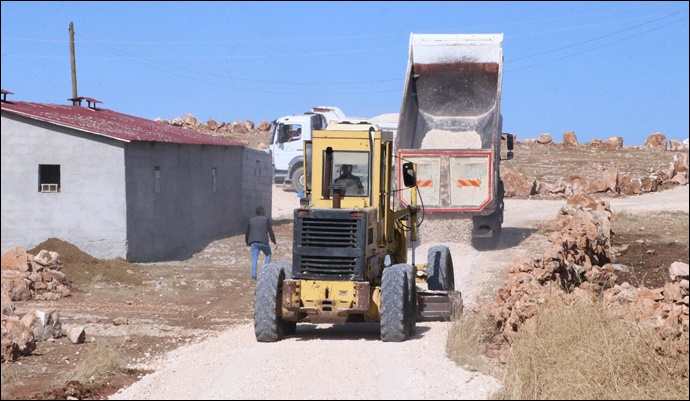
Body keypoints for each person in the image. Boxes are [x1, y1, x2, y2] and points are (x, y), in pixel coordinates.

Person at [245, 206, 277, 280]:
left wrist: (247, 242)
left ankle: (253, 275)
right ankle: (265, 273)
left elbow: (247, 232)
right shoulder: (266, 220)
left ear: (256, 213)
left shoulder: (251, 220)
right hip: (263, 241)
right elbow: (270, 232)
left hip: (253, 242)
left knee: (254, 258)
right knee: (268, 254)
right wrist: (274, 242)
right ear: (263, 212)